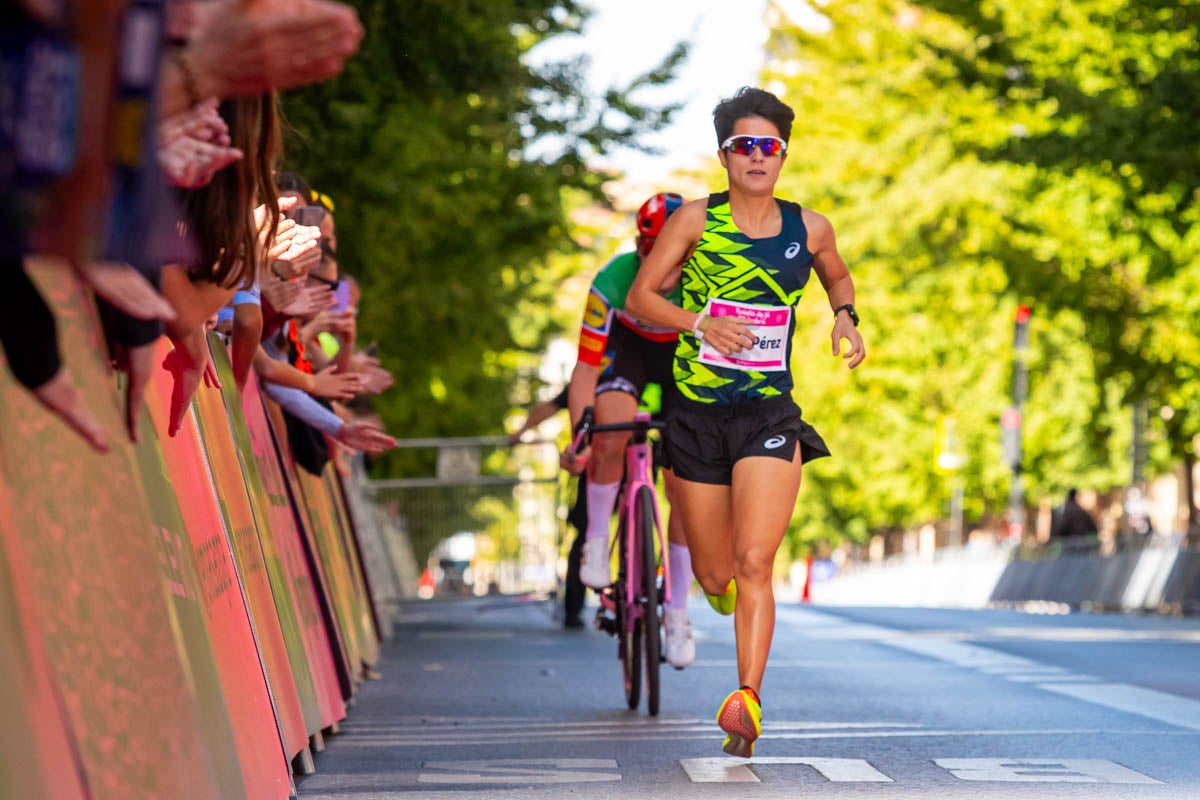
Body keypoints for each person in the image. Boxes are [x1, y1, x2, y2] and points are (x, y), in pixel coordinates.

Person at [626, 86, 866, 757]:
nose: (757, 157)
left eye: (770, 146)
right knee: (714, 573)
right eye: (744, 146)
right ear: (725, 155)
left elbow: (838, 278)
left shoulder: (809, 227)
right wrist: (700, 321)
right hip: (697, 414)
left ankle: (746, 700)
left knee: (756, 560)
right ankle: (716, 595)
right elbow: (644, 295)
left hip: (767, 412)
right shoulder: (697, 221)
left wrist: (845, 318)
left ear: (784, 156)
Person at [563, 191, 698, 669]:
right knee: (610, 427)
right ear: (639, 248)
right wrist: (581, 434)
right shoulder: (612, 282)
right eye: (648, 251)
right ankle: (598, 537)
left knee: (684, 486)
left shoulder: (706, 281)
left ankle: (678, 612)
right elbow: (584, 372)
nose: (658, 263)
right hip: (630, 350)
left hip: (682, 357)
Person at [509, 385, 590, 629]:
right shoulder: (598, 369)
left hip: (635, 455)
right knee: (586, 533)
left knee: (587, 534)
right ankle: (573, 609)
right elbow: (550, 406)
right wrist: (520, 432)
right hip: (592, 463)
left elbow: (548, 407)